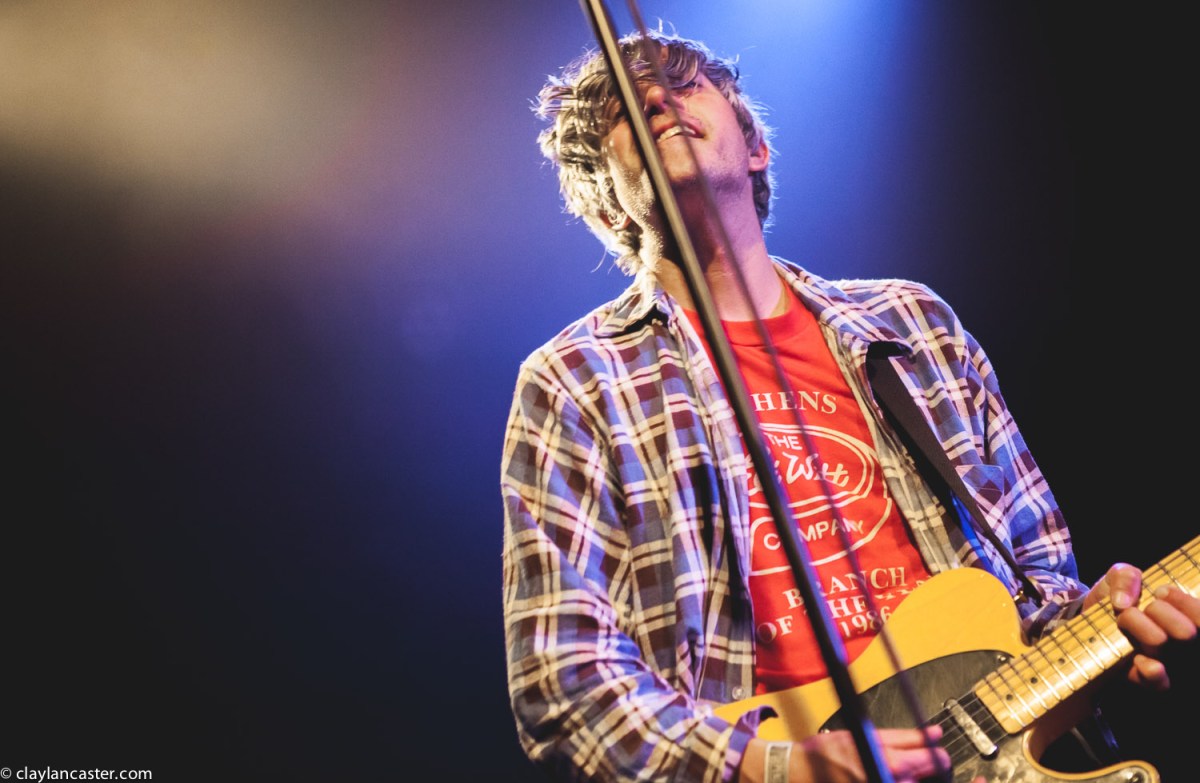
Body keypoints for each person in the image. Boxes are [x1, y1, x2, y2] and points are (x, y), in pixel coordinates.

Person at [500, 28, 1198, 783]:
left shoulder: (914, 327)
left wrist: (1100, 624)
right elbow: (561, 678)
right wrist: (771, 767)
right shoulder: (578, 380)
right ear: (609, 209)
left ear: (756, 147)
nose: (659, 104)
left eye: (684, 84)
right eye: (625, 116)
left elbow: (1040, 583)